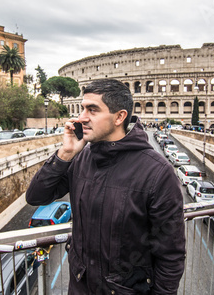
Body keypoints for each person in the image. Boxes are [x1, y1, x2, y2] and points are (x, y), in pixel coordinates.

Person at [26, 79, 186, 294]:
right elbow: (36, 197)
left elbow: (170, 255)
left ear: (119, 117)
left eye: (92, 110)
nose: (82, 118)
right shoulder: (80, 159)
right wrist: (64, 154)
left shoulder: (158, 173)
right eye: (83, 108)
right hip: (80, 287)